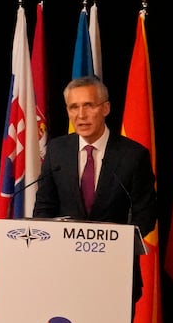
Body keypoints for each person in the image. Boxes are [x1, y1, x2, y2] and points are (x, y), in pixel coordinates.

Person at [32, 75, 158, 298]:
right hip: (64, 274)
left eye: (88, 106)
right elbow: (44, 208)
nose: (81, 115)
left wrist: (111, 241)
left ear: (106, 108)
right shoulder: (57, 150)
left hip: (115, 275)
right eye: (74, 107)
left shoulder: (133, 156)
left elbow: (145, 214)